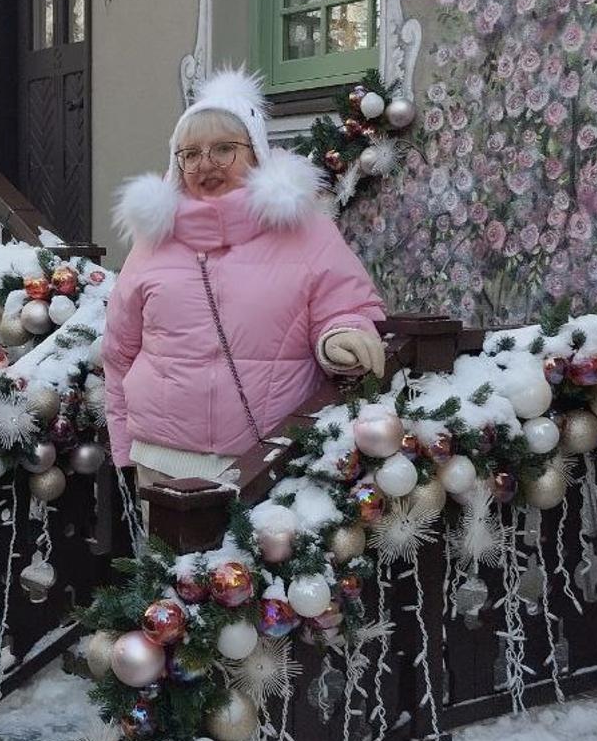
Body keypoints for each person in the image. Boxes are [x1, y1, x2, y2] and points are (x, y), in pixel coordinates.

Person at [103, 70, 386, 488]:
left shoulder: (307, 231)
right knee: (163, 555)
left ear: (255, 152)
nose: (206, 164)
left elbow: (347, 307)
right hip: (162, 460)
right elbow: (120, 350)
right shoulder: (153, 243)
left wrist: (340, 337)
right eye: (191, 153)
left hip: (268, 461)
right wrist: (123, 443)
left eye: (223, 149)